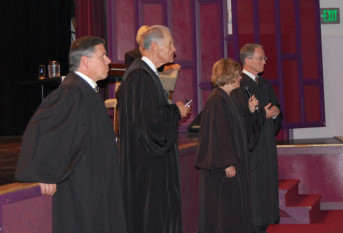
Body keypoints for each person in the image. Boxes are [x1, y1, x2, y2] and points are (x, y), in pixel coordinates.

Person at [15, 36, 127, 233]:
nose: (108, 61)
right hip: (84, 190)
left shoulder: (87, 91)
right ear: (85, 61)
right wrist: (44, 171)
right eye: (103, 56)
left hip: (98, 186)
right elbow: (45, 131)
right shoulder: (71, 92)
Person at [118, 25, 190, 233]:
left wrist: (171, 111)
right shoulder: (140, 76)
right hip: (147, 167)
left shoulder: (145, 73)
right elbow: (151, 124)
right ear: (156, 47)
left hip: (146, 163)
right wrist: (175, 111)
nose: (174, 49)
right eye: (170, 44)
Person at [195, 58, 259, 233]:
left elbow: (239, 131)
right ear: (229, 75)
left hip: (236, 162)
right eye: (237, 74)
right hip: (225, 168)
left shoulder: (229, 98)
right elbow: (218, 135)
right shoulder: (217, 100)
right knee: (225, 212)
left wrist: (251, 112)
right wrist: (226, 162)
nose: (240, 77)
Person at [236, 43, 283, 233]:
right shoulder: (239, 84)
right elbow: (241, 117)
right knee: (254, 191)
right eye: (260, 58)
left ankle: (262, 224)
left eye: (265, 58)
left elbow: (275, 109)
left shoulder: (264, 83)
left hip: (266, 146)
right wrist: (263, 114)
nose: (264, 62)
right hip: (252, 149)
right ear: (247, 61)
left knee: (266, 188)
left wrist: (276, 113)